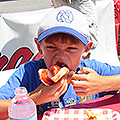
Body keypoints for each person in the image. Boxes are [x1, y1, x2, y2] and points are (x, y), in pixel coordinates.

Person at [0, 6, 120, 119]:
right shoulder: (29, 73)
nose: (61, 56)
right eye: (52, 48)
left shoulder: (91, 71)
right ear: (39, 47)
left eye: (71, 48)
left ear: (86, 49)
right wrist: (35, 98)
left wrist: (104, 84)